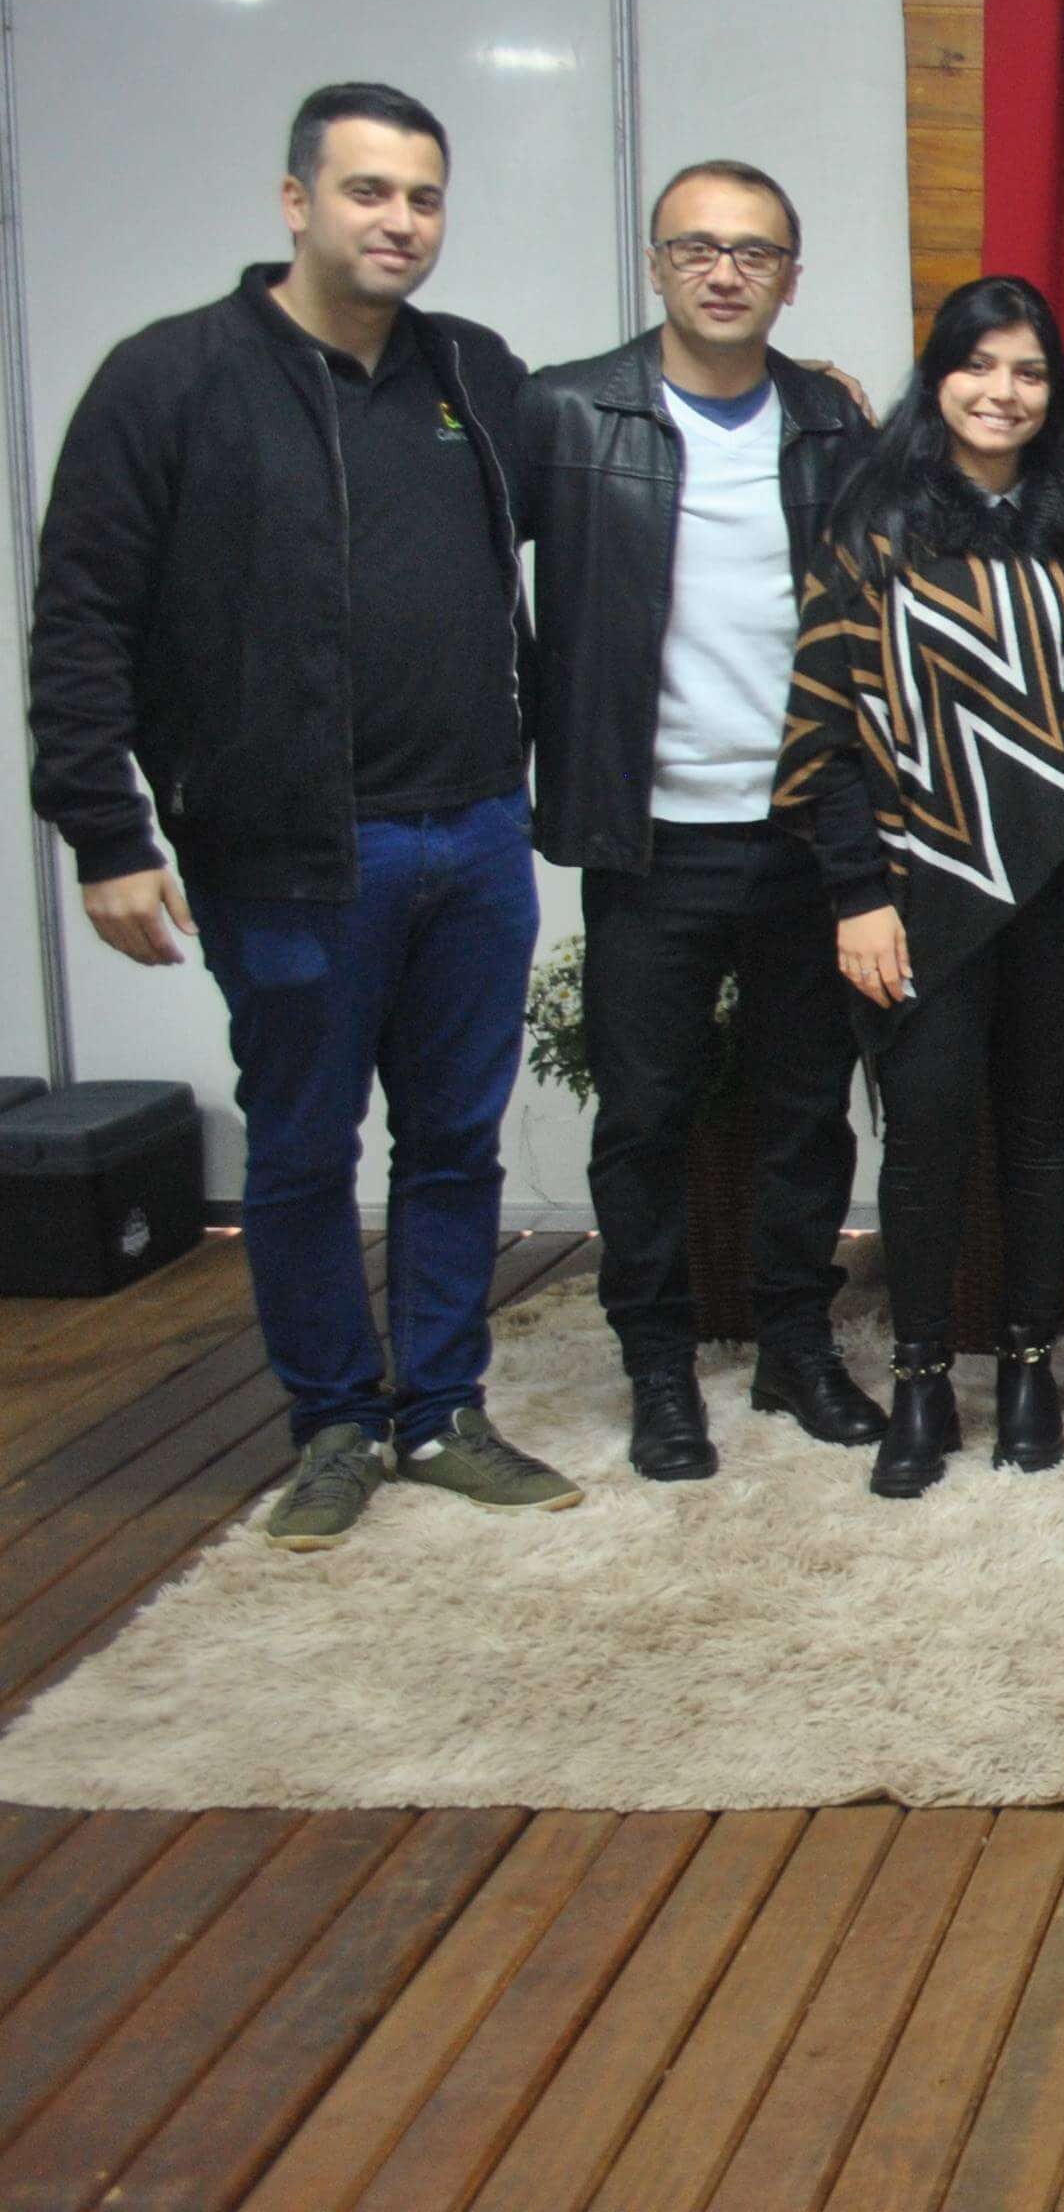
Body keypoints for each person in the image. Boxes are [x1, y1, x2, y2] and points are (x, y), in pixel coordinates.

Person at [30, 82, 575, 1551]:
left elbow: (601, 454)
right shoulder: (173, 379)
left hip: (475, 832)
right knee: (298, 1149)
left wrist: (801, 393)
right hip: (287, 854)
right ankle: (334, 1422)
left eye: (424, 197)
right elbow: (80, 617)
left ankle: (444, 1410)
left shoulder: (470, 373)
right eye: (367, 191)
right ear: (296, 202)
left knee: (455, 1145)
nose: (399, 221)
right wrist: (107, 833)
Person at [520, 159, 885, 1482]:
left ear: (791, 278)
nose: (725, 272)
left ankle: (794, 1346)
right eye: (698, 248)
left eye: (754, 253)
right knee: (645, 1118)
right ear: (657, 264)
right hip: (649, 837)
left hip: (802, 829)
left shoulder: (833, 425)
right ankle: (659, 1369)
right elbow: (459, 576)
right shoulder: (566, 412)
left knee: (805, 1111)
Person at [777, 276, 1064, 1497]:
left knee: (1043, 1138)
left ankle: (1028, 1365)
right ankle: (921, 1380)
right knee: (924, 1140)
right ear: (937, 379)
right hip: (918, 891)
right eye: (979, 366)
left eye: (1029, 372)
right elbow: (823, 729)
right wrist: (854, 895)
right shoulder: (873, 525)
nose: (1002, 393)